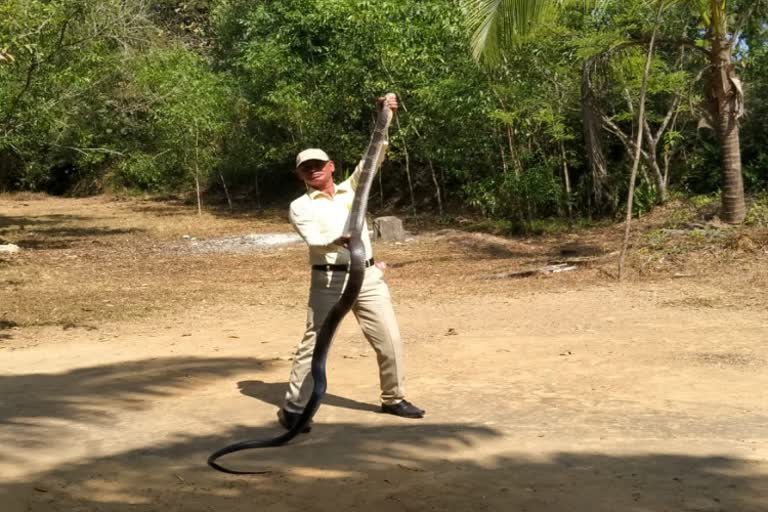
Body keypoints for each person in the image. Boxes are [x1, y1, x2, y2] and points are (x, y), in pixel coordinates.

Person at [278, 95, 425, 432]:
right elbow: (312, 239)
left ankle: (394, 398)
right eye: (307, 167)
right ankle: (294, 409)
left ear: (332, 165)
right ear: (299, 173)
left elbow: (373, 157)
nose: (314, 170)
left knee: (389, 337)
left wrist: (384, 116)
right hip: (329, 281)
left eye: (319, 164)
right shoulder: (299, 206)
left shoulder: (353, 188)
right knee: (315, 342)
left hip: (369, 277)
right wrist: (337, 241)